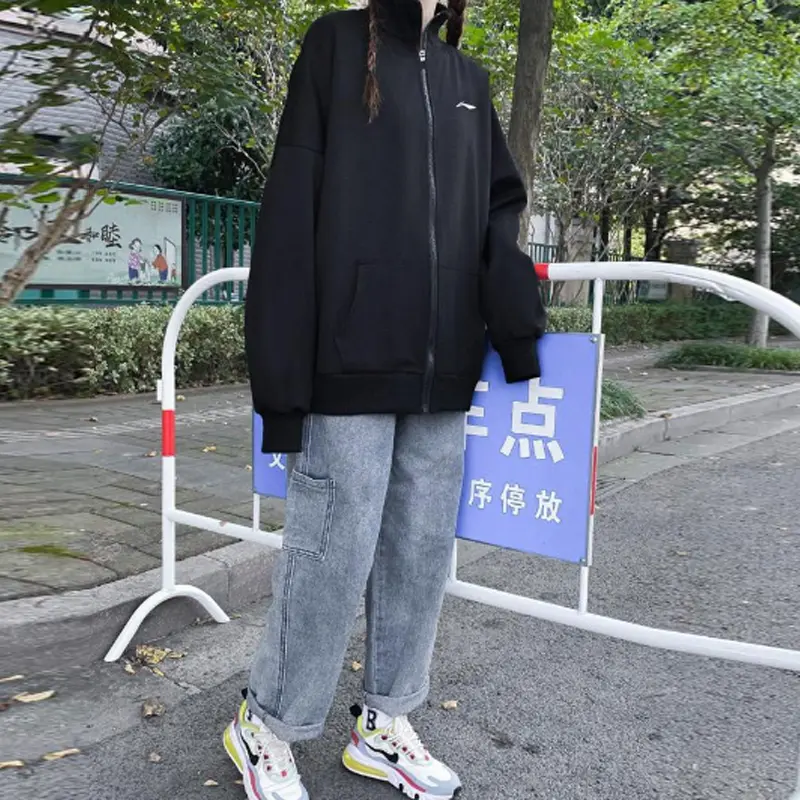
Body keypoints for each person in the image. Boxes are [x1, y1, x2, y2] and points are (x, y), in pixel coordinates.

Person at [229, 1, 547, 798]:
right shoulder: (336, 44)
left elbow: (498, 212)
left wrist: (515, 331)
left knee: (419, 553)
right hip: (346, 364)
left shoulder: (467, 79)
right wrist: (282, 384)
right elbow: (290, 206)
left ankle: (385, 722)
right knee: (330, 553)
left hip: (444, 370)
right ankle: (265, 724)